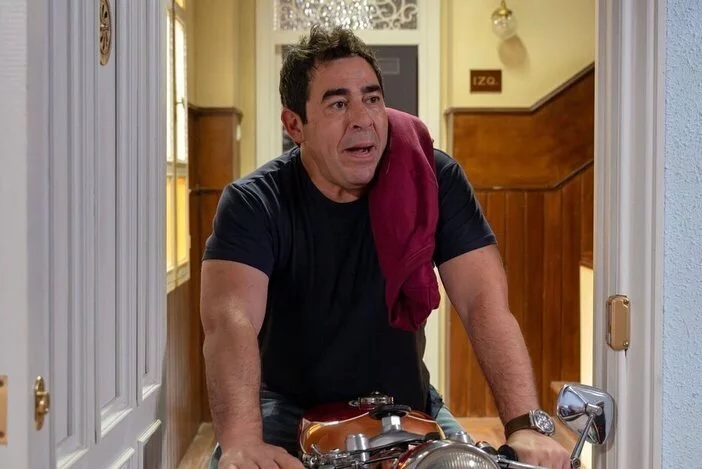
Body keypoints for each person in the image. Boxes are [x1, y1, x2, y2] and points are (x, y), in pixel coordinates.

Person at [199, 25, 572, 469]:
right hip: (288, 410)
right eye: (338, 103)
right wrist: (242, 441)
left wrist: (525, 424)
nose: (362, 119)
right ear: (295, 124)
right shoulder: (253, 201)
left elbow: (482, 302)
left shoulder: (433, 178)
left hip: (404, 406)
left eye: (372, 99)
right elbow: (230, 321)